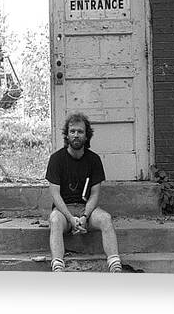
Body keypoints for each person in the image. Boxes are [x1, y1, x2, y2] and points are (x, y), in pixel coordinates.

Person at [45, 112, 122, 273]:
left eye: (80, 132)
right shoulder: (56, 159)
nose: (76, 135)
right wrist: (70, 218)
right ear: (66, 135)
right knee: (54, 220)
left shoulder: (93, 160)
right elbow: (55, 195)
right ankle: (58, 268)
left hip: (86, 210)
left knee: (106, 218)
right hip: (63, 211)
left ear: (87, 136)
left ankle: (115, 267)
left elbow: (94, 194)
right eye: (72, 131)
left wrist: (84, 216)